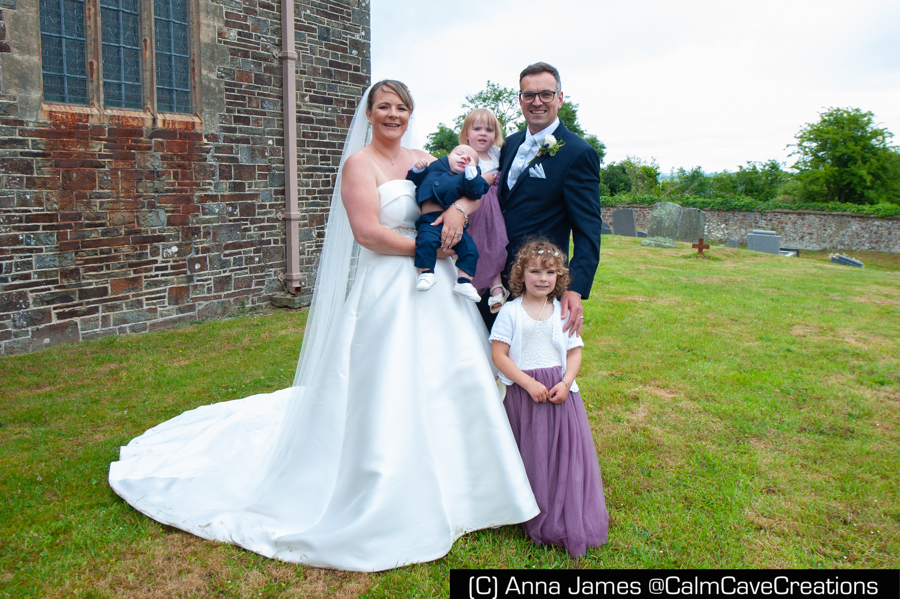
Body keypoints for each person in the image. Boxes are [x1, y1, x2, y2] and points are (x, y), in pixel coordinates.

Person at [108, 80, 539, 572]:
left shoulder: (425, 157)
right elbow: (368, 233)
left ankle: (471, 490)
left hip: (438, 289)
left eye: (401, 108)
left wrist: (460, 211)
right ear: (369, 115)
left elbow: (471, 189)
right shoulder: (359, 165)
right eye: (384, 107)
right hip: (389, 286)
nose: (393, 115)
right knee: (386, 384)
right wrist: (433, 248)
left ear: (410, 114)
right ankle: (386, 486)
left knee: (451, 375)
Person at [490, 239, 609, 557]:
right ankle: (528, 508)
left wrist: (567, 383)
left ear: (559, 277)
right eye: (534, 271)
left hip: (559, 394)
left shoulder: (562, 312)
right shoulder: (511, 312)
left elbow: (574, 352)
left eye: (550, 273)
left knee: (561, 455)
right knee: (531, 454)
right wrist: (529, 384)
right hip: (524, 395)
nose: (542, 279)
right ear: (521, 274)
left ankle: (560, 508)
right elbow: (499, 355)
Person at [479, 62, 603, 336]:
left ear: (560, 98)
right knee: (485, 349)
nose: (537, 102)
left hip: (537, 281)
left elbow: (588, 229)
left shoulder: (578, 153)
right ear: (520, 100)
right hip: (491, 275)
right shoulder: (508, 144)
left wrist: (576, 288)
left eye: (546, 94)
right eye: (529, 95)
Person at [406, 144, 487, 300]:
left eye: (470, 159)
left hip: (456, 225)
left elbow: (476, 193)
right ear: (449, 157)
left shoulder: (469, 179)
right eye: (459, 153)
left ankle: (464, 281)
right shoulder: (433, 168)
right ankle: (426, 273)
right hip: (430, 220)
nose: (464, 157)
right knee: (426, 241)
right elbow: (413, 181)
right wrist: (417, 169)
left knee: (470, 249)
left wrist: (471, 172)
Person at [462, 108, 511, 313]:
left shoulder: (497, 154)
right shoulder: (464, 155)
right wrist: (481, 180)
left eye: (489, 130)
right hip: (474, 208)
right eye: (477, 129)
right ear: (466, 134)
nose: (483, 133)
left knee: (495, 244)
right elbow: (456, 180)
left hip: (495, 209)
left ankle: (496, 287)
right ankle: (467, 282)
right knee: (477, 246)